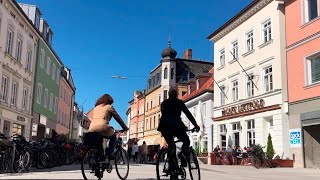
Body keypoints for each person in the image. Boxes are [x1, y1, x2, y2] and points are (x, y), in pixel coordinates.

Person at [157, 87, 200, 168]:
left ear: (169, 95)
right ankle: (182, 155)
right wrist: (195, 125)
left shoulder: (163, 103)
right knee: (186, 141)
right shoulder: (179, 102)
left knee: (171, 145)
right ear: (177, 95)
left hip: (164, 127)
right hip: (175, 126)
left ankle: (171, 166)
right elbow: (188, 114)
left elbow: (166, 116)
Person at [88, 94, 129, 160]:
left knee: (99, 147)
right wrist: (125, 128)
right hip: (102, 127)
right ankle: (110, 153)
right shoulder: (109, 107)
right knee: (113, 137)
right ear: (108, 101)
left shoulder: (95, 108)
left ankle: (97, 165)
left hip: (92, 128)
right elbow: (118, 118)